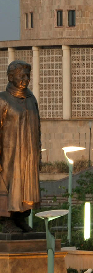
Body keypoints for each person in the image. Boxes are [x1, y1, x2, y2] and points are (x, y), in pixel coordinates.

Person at [0, 61, 41, 233]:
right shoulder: (2, 99)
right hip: (9, 155)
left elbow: (38, 128)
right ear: (10, 77)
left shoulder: (31, 99)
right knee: (7, 185)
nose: (25, 79)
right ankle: (6, 220)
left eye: (27, 76)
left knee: (25, 186)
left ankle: (20, 218)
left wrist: (38, 154)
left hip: (28, 154)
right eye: (21, 76)